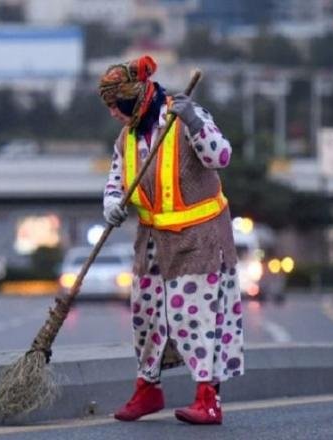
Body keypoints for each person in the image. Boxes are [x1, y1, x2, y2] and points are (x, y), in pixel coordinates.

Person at [99, 55, 244, 425]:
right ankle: (148, 389)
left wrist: (194, 120)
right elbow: (116, 180)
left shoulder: (183, 118)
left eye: (116, 105)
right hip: (152, 241)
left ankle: (208, 398)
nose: (113, 113)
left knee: (194, 316)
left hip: (199, 237)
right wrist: (113, 204)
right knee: (146, 317)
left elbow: (221, 156)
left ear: (134, 98)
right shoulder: (127, 137)